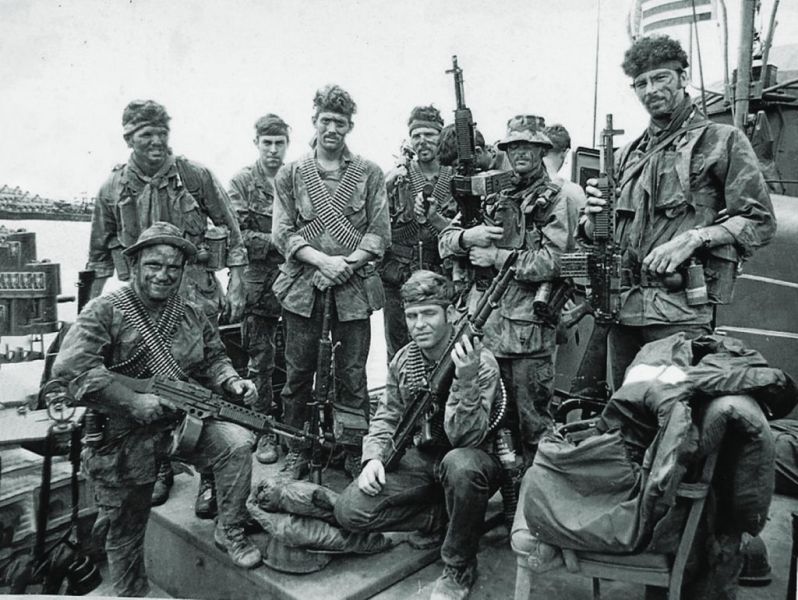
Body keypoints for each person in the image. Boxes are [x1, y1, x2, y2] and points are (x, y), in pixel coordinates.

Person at [53, 222, 261, 597]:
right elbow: (70, 371)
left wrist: (232, 381)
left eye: (173, 267)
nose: (163, 275)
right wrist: (132, 401)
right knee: (126, 530)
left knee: (237, 444)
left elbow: (213, 358)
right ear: (134, 266)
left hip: (179, 425)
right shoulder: (105, 311)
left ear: (183, 272)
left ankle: (229, 529)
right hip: (121, 437)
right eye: (153, 265)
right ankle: (132, 592)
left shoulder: (191, 312)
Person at [582, 35, 776, 388]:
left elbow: (759, 220)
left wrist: (694, 238)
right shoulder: (626, 156)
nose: (650, 89)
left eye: (661, 78)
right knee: (626, 416)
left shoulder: (721, 140)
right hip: (623, 311)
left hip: (678, 312)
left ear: (682, 78)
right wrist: (591, 216)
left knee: (674, 415)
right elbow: (602, 233)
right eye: (641, 83)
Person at [85, 99, 250, 510]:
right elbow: (99, 257)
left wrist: (238, 284)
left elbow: (232, 233)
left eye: (162, 133)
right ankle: (160, 466)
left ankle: (211, 477)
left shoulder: (195, 176)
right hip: (140, 311)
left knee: (212, 383)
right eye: (146, 135)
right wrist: (90, 316)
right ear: (129, 138)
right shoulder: (112, 189)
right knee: (150, 384)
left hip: (195, 300)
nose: (157, 141)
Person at [335, 270, 503, 600]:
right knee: (350, 509)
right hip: (424, 459)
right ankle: (439, 518)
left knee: (461, 466)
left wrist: (465, 379)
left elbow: (465, 438)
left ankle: (458, 565)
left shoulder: (479, 362)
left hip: (472, 461)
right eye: (411, 315)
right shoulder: (405, 359)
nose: (418, 324)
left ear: (450, 314)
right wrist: (373, 458)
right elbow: (387, 416)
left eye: (429, 314)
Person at [438, 115, 580, 467]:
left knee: (534, 429)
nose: (520, 153)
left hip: (527, 333)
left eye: (528, 146)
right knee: (489, 427)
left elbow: (555, 261)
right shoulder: (493, 194)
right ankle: (499, 502)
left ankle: (534, 511)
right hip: (482, 327)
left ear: (541, 150)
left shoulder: (556, 198)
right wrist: (466, 238)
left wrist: (496, 256)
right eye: (514, 146)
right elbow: (444, 241)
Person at [272, 84, 390, 479]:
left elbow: (379, 234)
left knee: (352, 376)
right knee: (298, 376)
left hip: (353, 291)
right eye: (325, 120)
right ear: (315, 122)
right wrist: (322, 260)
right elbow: (283, 232)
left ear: (349, 126)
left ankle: (352, 448)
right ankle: (298, 449)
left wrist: (346, 264)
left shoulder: (369, 173)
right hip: (303, 291)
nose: (332, 129)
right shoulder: (291, 174)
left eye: (340, 122)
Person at [228, 113, 290, 465]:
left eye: (279, 143)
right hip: (257, 282)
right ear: (257, 144)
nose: (272, 150)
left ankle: (293, 428)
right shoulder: (242, 182)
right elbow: (236, 235)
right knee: (260, 360)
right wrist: (281, 241)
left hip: (294, 279)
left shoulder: (297, 178)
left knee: (297, 359)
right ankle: (263, 428)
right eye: (266, 143)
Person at [380, 105, 457, 360]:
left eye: (429, 135)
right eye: (416, 136)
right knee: (399, 351)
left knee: (443, 350)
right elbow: (374, 222)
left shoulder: (454, 177)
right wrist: (387, 183)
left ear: (441, 137)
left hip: (440, 276)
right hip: (399, 276)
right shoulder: (397, 178)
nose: (422, 142)